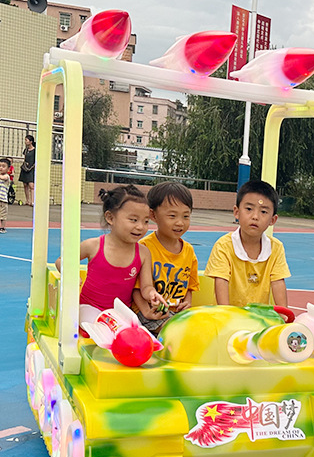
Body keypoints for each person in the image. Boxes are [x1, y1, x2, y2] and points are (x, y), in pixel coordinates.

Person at [56, 184, 166, 324]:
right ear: (110, 218)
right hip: (89, 308)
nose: (140, 227)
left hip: (121, 311)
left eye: (145, 221)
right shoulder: (93, 246)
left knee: (136, 333)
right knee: (102, 327)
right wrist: (70, 274)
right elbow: (61, 260)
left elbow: (146, 287)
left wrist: (152, 294)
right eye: (133, 220)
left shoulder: (143, 253)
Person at [205, 180, 290, 308]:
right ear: (237, 212)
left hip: (258, 319)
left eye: (263, 212)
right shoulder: (224, 246)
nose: (255, 216)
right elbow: (221, 281)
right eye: (249, 209)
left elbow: (278, 282)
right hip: (228, 317)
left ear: (273, 220)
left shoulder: (276, 248)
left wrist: (284, 314)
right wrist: (226, 314)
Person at [133, 181, 199, 334]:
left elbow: (190, 286)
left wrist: (187, 302)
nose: (180, 223)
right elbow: (136, 289)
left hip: (175, 314)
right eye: (172, 216)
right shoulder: (144, 248)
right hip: (148, 313)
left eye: (186, 216)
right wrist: (146, 312)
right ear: (153, 215)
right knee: (177, 333)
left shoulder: (188, 251)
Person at [19, 135, 36, 207]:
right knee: (25, 184)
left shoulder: (35, 150)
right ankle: (27, 200)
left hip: (31, 168)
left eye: (26, 140)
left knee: (31, 185)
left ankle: (32, 201)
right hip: (25, 168)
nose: (25, 141)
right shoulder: (25, 150)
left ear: (31, 142)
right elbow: (24, 158)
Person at [0, 158, 11, 234]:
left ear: (8, 169)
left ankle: (3, 227)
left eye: (3, 166)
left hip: (3, 200)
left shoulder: (6, 176)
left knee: (3, 216)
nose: (1, 168)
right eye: (0, 166)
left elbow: (2, 178)